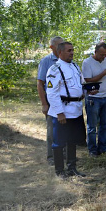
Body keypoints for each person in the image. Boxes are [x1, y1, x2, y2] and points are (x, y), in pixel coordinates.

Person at [45, 41, 87, 178]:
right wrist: (59, 112)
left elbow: (80, 84)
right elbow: (51, 93)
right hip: (62, 112)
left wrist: (86, 92)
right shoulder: (54, 69)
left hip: (75, 110)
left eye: (73, 50)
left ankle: (72, 168)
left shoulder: (75, 66)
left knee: (72, 140)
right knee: (59, 142)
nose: (72, 53)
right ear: (60, 52)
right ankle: (59, 171)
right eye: (69, 50)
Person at [82, 42, 106, 156]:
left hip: (105, 96)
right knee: (92, 126)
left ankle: (103, 148)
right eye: (101, 54)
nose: (103, 56)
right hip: (93, 98)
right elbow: (88, 80)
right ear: (95, 52)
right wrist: (103, 72)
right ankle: (92, 149)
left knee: (105, 124)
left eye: (105, 54)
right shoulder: (87, 62)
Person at [37, 36, 63, 164]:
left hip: (64, 100)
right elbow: (40, 84)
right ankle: (51, 157)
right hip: (51, 100)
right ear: (52, 47)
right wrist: (44, 104)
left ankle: (63, 155)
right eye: (59, 45)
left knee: (64, 129)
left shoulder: (66, 60)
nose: (61, 47)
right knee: (52, 130)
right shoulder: (46, 61)